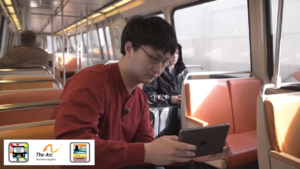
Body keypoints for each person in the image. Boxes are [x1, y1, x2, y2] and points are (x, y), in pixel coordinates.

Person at [51, 16, 232, 169]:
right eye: (154, 58)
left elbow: (149, 148)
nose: (159, 69)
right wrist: (146, 152)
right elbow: (69, 150)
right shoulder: (90, 82)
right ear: (129, 48)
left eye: (165, 62)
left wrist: (190, 154)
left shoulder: (139, 99)